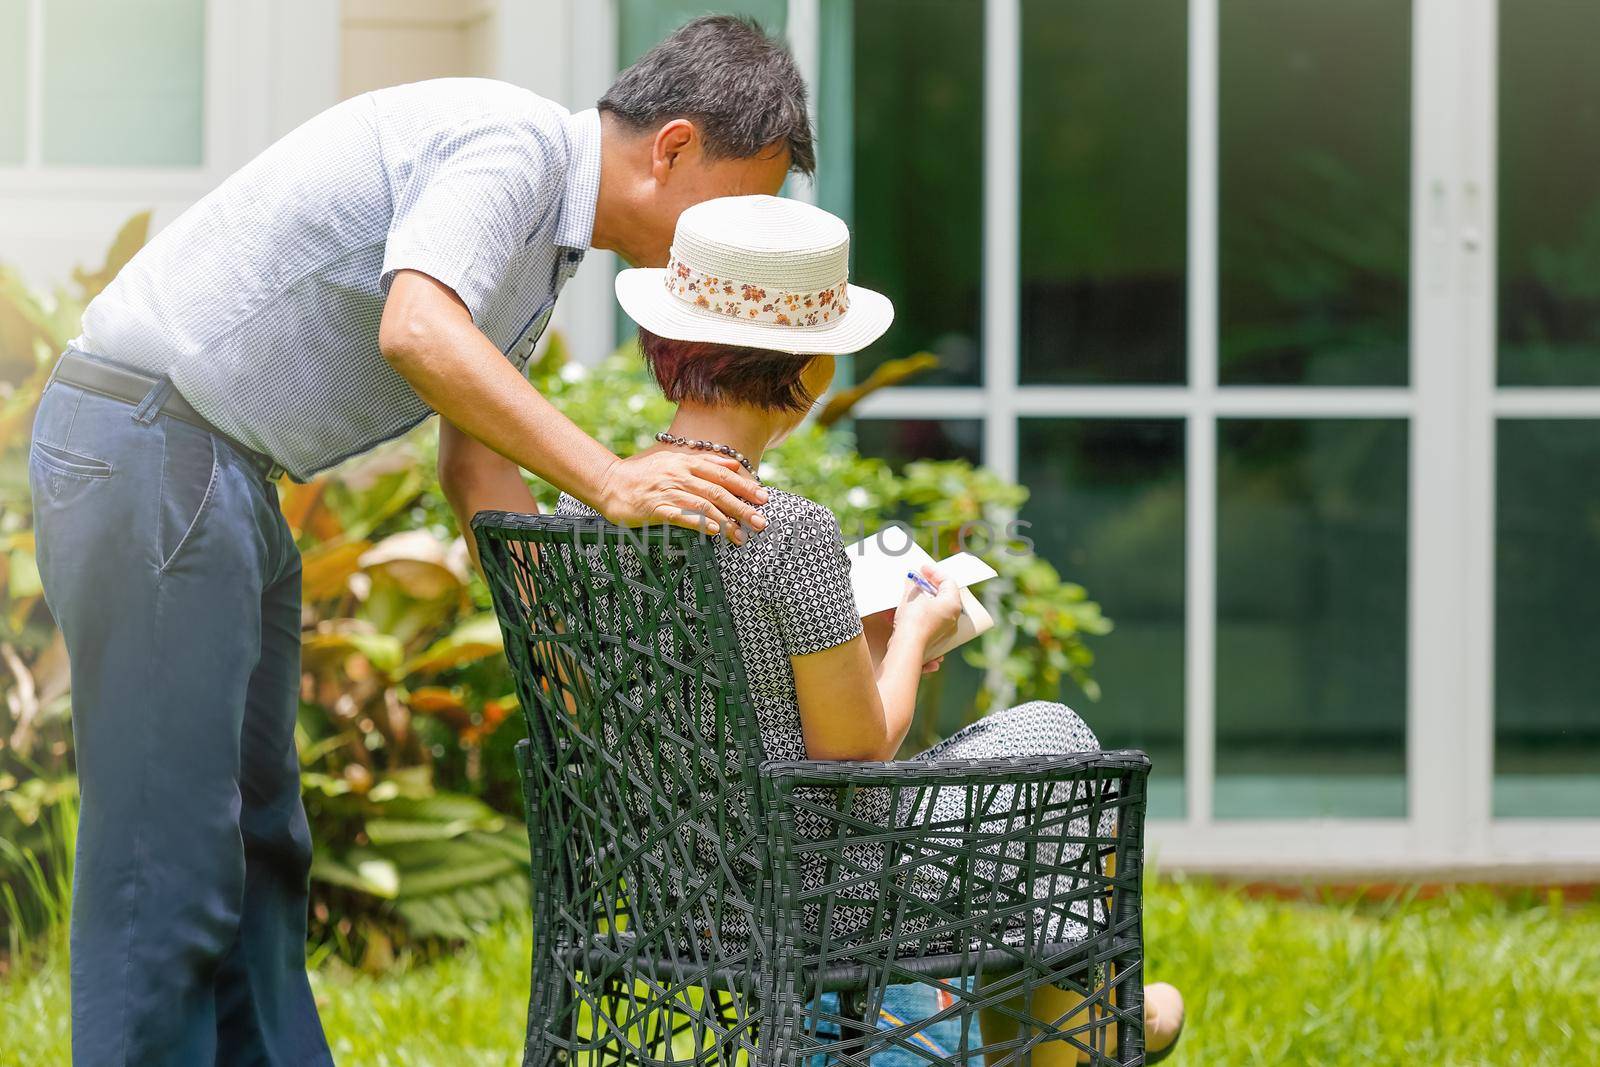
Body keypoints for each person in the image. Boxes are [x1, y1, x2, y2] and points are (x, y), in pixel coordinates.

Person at [27, 16, 810, 1066]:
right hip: (151, 442)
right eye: (742, 203)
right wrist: (612, 477)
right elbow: (417, 328)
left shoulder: (548, 244)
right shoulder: (511, 147)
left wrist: (566, 657)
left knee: (265, 846)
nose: (739, 239)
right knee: (167, 858)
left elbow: (474, 462)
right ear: (671, 149)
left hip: (222, 467)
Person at [557, 193, 1187, 1063]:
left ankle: (1085, 1024)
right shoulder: (789, 530)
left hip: (663, 885)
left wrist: (841, 639)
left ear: (663, 345)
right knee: (1054, 739)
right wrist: (911, 634)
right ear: (810, 374)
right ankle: (1081, 1033)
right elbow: (855, 755)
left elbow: (677, 686)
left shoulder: (579, 506)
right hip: (815, 893)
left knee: (1031, 749)